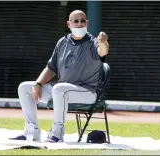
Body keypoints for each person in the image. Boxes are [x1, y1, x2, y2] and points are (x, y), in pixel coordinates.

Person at [10, 10, 109, 143]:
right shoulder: (62, 42)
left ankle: (57, 134)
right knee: (25, 88)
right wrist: (38, 84)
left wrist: (103, 42)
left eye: (82, 21)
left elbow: (103, 51)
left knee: (59, 88)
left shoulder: (94, 42)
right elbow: (51, 68)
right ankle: (32, 132)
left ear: (87, 23)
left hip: (87, 92)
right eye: (76, 21)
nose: (79, 24)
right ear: (69, 24)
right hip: (62, 91)